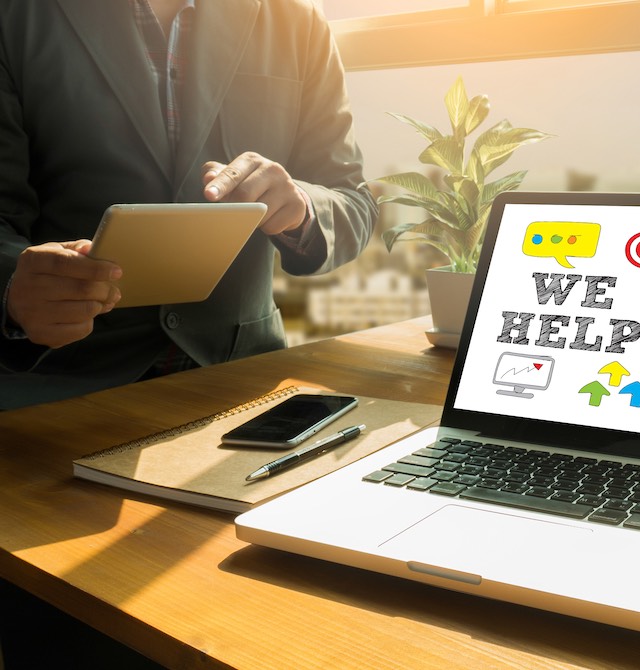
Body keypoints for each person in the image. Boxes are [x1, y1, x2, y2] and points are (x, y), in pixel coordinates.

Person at [0, 0, 377, 410]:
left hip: (243, 383)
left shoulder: (297, 20)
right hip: (58, 388)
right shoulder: (15, 16)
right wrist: (12, 291)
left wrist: (301, 208)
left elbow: (352, 200)